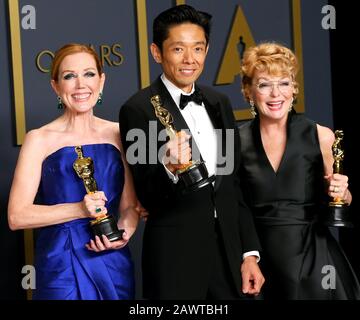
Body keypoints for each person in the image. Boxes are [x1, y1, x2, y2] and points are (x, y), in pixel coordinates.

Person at [119, 5, 264, 299]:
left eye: (198, 48)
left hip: (228, 254)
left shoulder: (219, 102)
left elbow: (232, 184)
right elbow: (146, 195)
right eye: (178, 49)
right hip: (174, 257)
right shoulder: (138, 109)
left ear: (207, 50)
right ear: (157, 52)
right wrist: (169, 168)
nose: (190, 59)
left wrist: (249, 254)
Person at [7, 43, 141, 300]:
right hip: (61, 265)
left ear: (101, 81)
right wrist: (79, 209)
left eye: (89, 74)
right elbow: (17, 215)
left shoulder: (118, 133)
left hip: (113, 261)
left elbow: (129, 207)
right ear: (56, 86)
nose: (81, 84)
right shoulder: (39, 139)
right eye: (70, 76)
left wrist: (122, 234)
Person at [238, 41, 360, 299]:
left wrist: (342, 192)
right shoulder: (234, 141)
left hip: (313, 262)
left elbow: (342, 200)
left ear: (294, 89)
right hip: (257, 265)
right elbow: (227, 207)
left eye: (283, 83)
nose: (275, 94)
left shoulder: (321, 136)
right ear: (248, 91)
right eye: (264, 85)